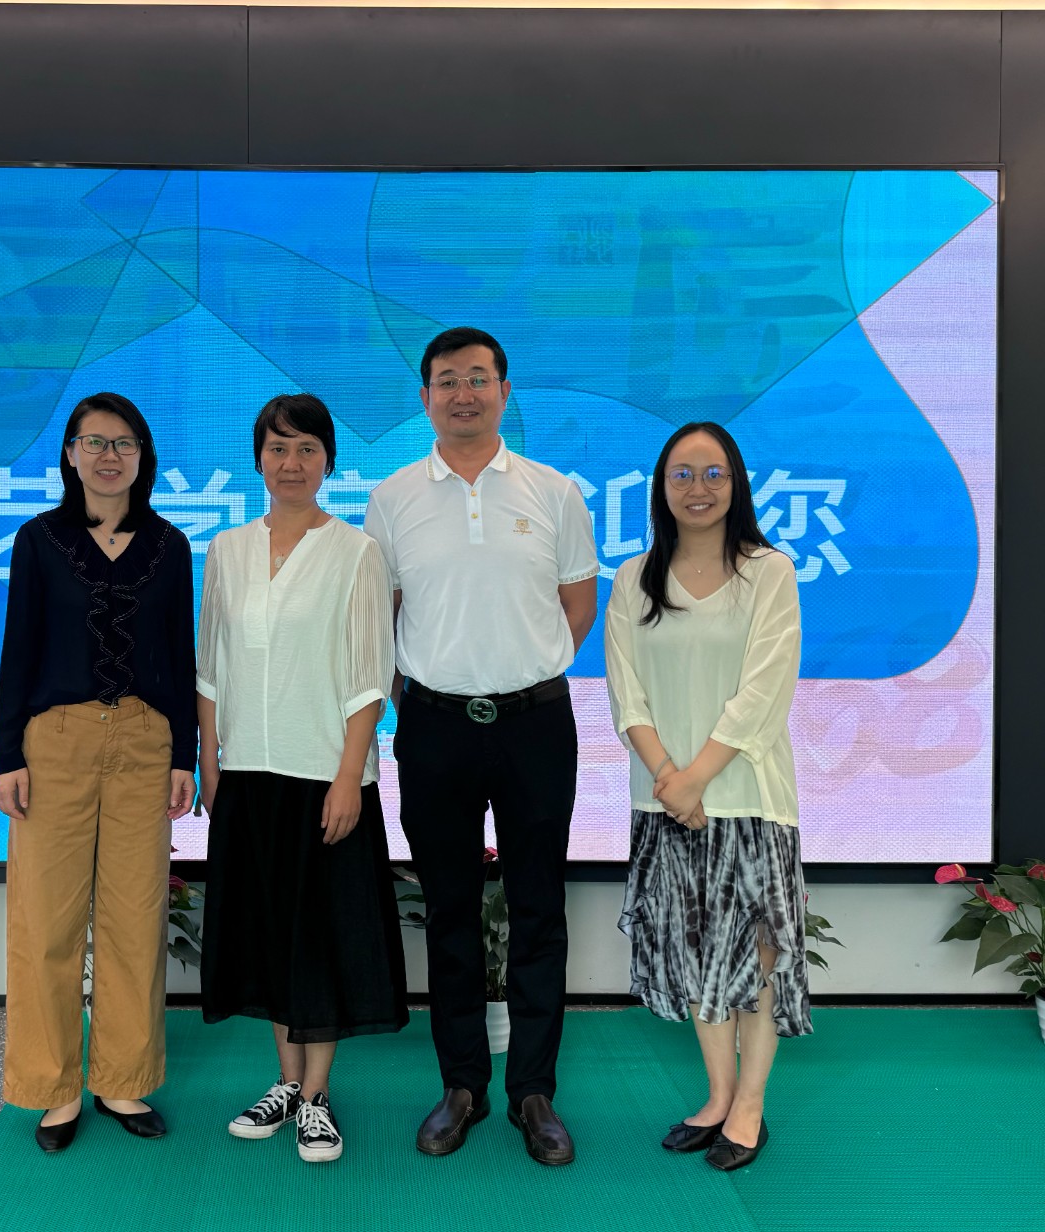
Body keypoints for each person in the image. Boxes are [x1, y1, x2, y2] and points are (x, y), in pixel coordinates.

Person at [365, 327, 598, 1163]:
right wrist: (427, 697)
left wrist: (518, 672)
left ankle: (533, 1092)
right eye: (446, 380)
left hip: (536, 724)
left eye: (477, 378)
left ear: (504, 389)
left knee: (539, 907)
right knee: (450, 909)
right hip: (433, 726)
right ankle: (462, 1085)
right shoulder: (392, 498)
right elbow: (385, 617)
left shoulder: (554, 491)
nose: (462, 393)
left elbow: (577, 606)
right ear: (424, 397)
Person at [196, 393, 409, 1165]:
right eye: (278, 448)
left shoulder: (355, 551)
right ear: (258, 458)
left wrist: (350, 775)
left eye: (307, 449)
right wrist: (210, 759)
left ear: (328, 462)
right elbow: (211, 665)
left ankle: (317, 1097)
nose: (291, 463)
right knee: (267, 935)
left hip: (323, 775)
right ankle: (285, 1083)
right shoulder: (226, 549)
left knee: (318, 937)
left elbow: (369, 673)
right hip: (248, 774)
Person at [0, 392, 198, 1154]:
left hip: (144, 739)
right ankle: (52, 1087)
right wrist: (6, 754)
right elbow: (18, 648)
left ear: (144, 457)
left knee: (134, 917)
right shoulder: (39, 540)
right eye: (95, 442)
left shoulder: (170, 546)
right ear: (70, 454)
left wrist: (184, 754)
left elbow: (179, 654)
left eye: (124, 443)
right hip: (56, 742)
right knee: (45, 920)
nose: (110, 457)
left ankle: (121, 1077)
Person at [604, 421, 808, 1173]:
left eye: (713, 473)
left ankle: (750, 1104)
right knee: (695, 953)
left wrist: (696, 778)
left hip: (749, 797)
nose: (698, 488)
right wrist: (670, 777)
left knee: (755, 957)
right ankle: (718, 1095)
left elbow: (765, 691)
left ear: (737, 483)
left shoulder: (769, 572)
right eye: (682, 474)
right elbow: (626, 694)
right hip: (665, 802)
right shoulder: (634, 578)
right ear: (661, 487)